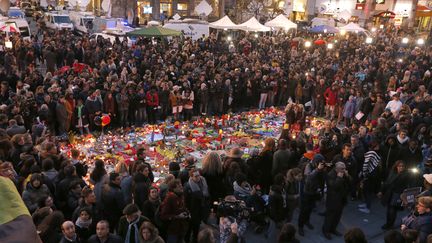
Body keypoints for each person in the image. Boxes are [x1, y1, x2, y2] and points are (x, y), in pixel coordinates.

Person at [322, 162, 352, 240]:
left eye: (344, 168)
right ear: (337, 168)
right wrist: (339, 178)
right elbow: (334, 186)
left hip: (341, 200)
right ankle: (326, 231)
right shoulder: (330, 175)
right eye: (342, 169)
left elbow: (350, 182)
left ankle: (333, 229)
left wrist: (347, 176)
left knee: (337, 216)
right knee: (329, 217)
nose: (344, 170)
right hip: (332, 201)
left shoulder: (343, 174)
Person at [379, 160, 411, 230]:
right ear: (396, 166)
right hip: (390, 193)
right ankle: (388, 223)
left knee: (392, 210)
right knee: (389, 210)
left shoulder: (405, 175)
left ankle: (390, 224)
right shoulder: (392, 173)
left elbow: (405, 185)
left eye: (402, 166)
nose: (401, 168)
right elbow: (387, 182)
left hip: (398, 194)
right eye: (399, 166)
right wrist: (381, 191)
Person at [183, 169, 210, 243]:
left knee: (197, 228)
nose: (198, 177)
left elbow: (207, 195)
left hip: (202, 209)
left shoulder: (203, 182)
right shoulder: (188, 187)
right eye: (196, 176)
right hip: (193, 210)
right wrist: (188, 211)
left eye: (199, 175)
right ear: (191, 177)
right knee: (190, 228)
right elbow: (186, 201)